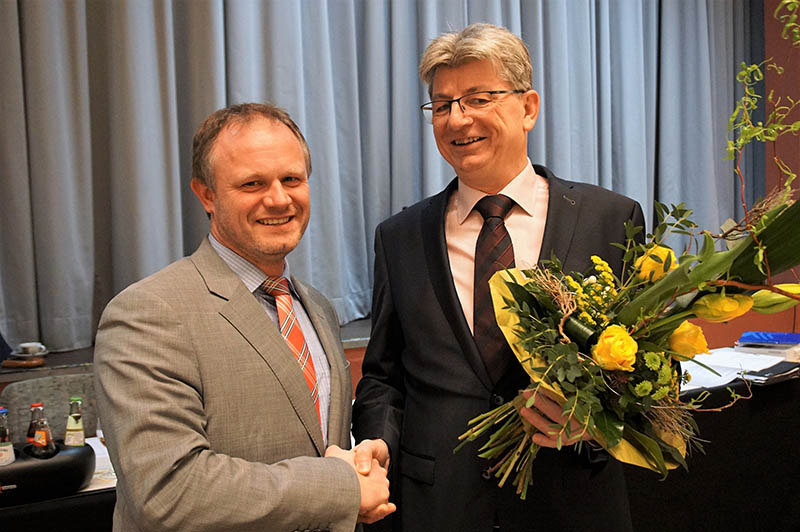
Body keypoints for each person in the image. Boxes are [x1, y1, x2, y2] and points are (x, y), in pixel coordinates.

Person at [352, 24, 644, 531]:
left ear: (528, 107)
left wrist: (595, 421)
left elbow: (652, 368)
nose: (457, 119)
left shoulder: (609, 219)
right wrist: (376, 440)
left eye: (478, 98)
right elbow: (384, 375)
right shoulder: (399, 237)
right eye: (441, 106)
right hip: (438, 506)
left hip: (572, 499)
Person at [94, 103, 394, 532]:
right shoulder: (147, 313)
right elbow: (167, 492)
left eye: (292, 179)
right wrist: (341, 486)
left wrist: (361, 460)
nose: (278, 199)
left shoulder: (317, 306)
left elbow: (318, 444)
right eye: (252, 183)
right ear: (207, 195)